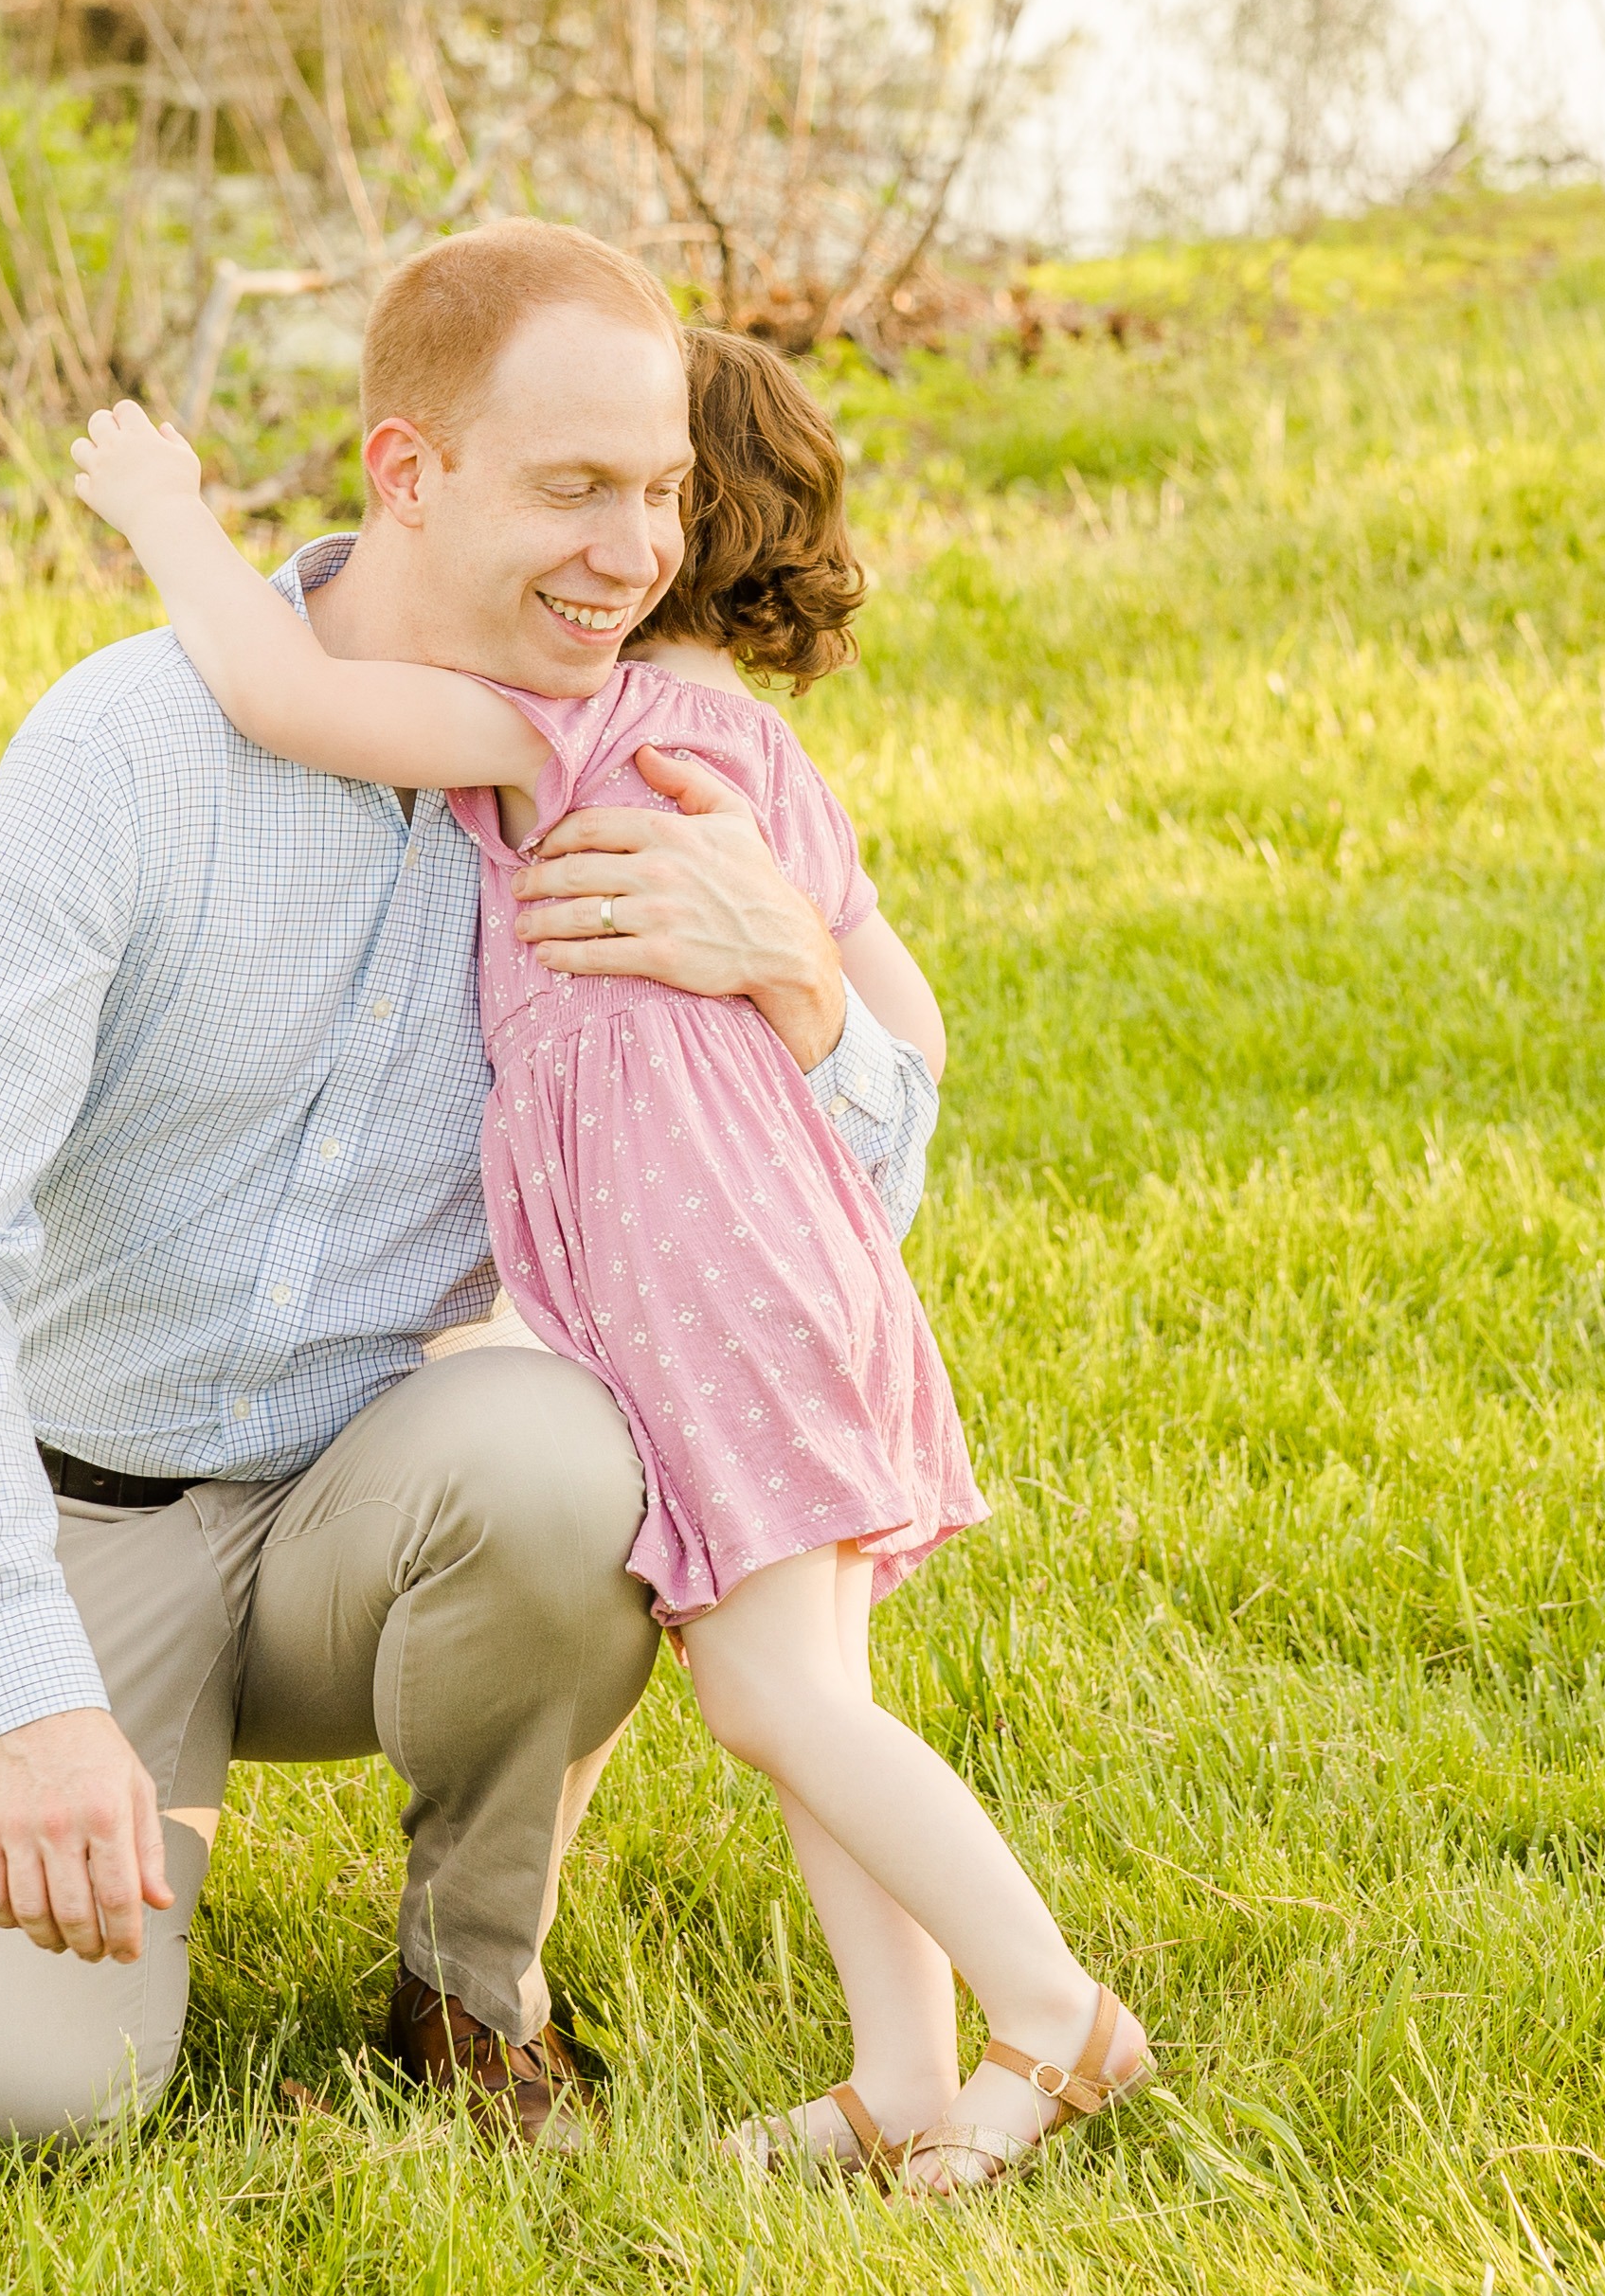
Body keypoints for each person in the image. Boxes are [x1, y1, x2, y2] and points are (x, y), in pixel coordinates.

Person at [0, 220, 945, 2153]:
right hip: (66, 1514)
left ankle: (466, 1980)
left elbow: (843, 1198)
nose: (634, 551)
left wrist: (795, 976)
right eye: (574, 489)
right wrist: (16, 1690)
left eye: (662, 492)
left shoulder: (635, 791)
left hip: (383, 1507)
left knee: (566, 1452)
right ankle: (28, 1751)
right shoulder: (122, 750)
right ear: (405, 475)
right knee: (1, 2106)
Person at [67, 331, 1152, 2196]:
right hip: (768, 1280)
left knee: (773, 1700)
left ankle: (1053, 2013)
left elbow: (275, 692)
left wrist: (166, 514)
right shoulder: (753, 748)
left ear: (664, 536)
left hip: (724, 1295)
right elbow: (906, 1044)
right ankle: (896, 2074)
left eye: (624, 492)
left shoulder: (584, 721)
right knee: (811, 1699)